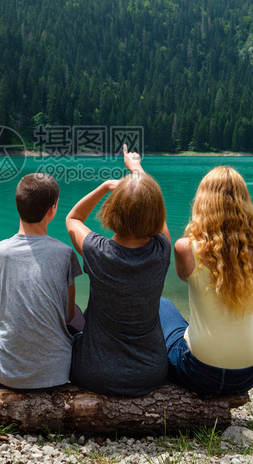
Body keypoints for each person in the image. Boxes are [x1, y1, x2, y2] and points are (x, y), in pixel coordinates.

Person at [66, 145, 171, 397]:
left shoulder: (96, 250)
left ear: (112, 210)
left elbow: (73, 219)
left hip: (93, 373)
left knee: (74, 316)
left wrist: (105, 187)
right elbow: (155, 216)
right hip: (152, 372)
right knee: (166, 306)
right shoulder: (162, 249)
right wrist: (135, 168)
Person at [159, 165, 253, 395]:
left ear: (203, 202)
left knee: (162, 305)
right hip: (247, 375)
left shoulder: (186, 248)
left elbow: (164, 246)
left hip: (200, 373)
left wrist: (138, 173)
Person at [0, 172, 82, 389]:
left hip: (5, 375)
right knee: (77, 310)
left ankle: (1, 364)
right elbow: (68, 315)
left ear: (18, 206)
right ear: (52, 210)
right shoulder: (65, 253)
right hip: (58, 374)